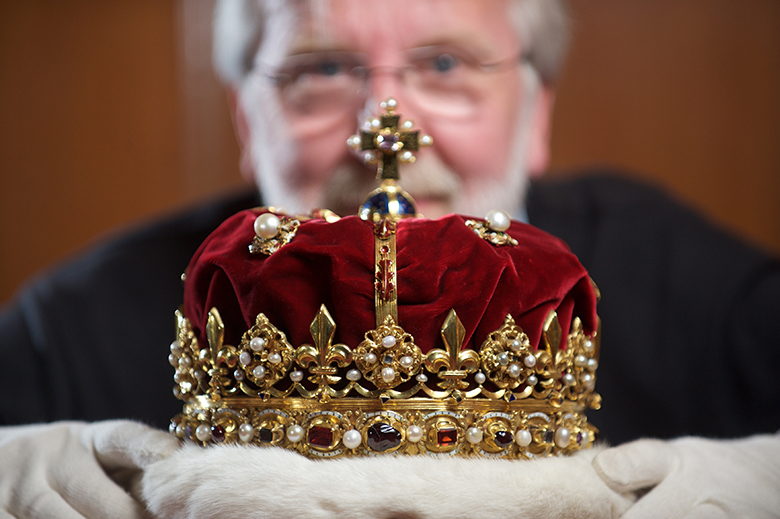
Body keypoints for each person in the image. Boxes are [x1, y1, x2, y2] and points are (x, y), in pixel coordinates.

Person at [1, 0, 779, 517]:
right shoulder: (66, 329)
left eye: (446, 66)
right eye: (322, 70)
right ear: (247, 117)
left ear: (535, 112)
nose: (384, 122)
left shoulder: (690, 283)